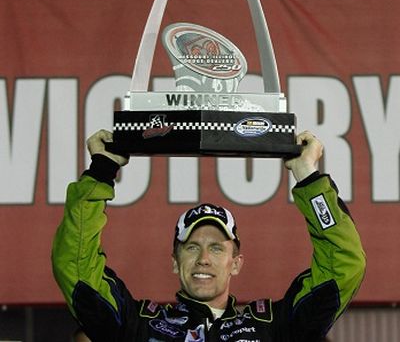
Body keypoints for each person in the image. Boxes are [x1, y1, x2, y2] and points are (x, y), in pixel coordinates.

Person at [52, 129, 366, 341]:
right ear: (175, 262)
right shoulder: (139, 326)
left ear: (236, 262)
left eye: (217, 248)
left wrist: (307, 175)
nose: (203, 259)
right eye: (191, 247)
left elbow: (343, 266)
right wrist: (100, 172)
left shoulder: (274, 328)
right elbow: (76, 268)